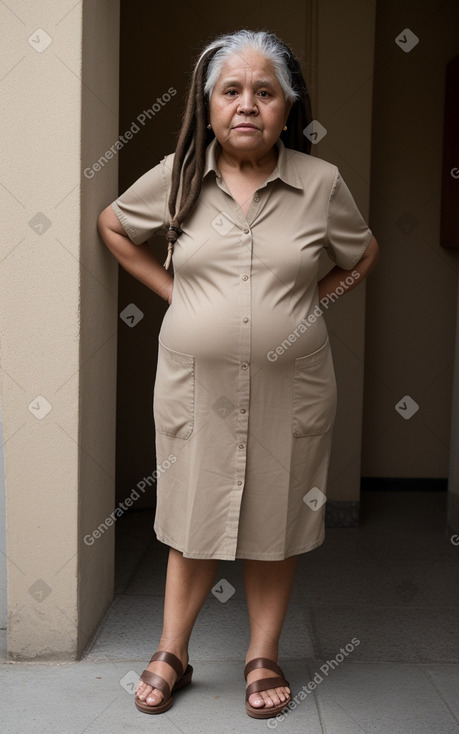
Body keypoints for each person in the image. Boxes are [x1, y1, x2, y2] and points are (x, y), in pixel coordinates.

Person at [98, 29, 379, 719]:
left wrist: (312, 305)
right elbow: (111, 226)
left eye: (264, 92)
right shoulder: (177, 176)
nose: (246, 105)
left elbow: (362, 253)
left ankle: (262, 655)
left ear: (287, 108)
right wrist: (177, 295)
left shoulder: (321, 184)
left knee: (275, 519)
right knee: (191, 514)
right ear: (209, 105)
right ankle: (173, 651)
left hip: (295, 386)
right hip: (197, 386)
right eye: (231, 91)